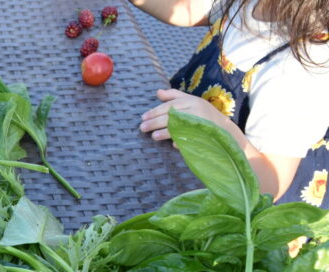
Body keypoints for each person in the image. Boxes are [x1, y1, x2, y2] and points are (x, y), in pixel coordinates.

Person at [133, 0, 328, 208]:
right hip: (188, 159)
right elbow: (188, 10)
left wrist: (219, 126)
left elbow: (270, 183)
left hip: (240, 204)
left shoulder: (299, 71)